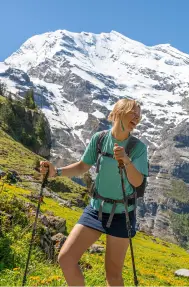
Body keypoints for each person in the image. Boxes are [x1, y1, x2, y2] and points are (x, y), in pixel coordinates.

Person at [40, 98, 148, 286]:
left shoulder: (138, 148)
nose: (137, 117)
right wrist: (55, 172)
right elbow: (82, 166)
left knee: (113, 275)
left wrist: (127, 161)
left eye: (139, 115)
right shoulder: (100, 139)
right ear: (118, 112)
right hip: (96, 210)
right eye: (133, 112)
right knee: (66, 259)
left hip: (122, 214)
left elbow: (138, 182)